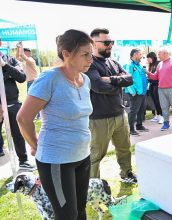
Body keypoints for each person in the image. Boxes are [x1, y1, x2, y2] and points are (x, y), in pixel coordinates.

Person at [16, 29, 94, 220]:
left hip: (82, 155)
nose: (90, 59)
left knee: (81, 211)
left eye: (91, 54)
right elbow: (23, 118)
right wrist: (35, 145)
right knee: (67, 215)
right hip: (57, 160)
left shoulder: (86, 80)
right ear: (66, 54)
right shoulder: (49, 79)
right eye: (85, 54)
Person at [85, 28, 136, 182]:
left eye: (111, 42)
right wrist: (119, 83)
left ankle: (126, 174)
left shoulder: (113, 62)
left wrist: (111, 80)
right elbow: (98, 87)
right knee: (97, 154)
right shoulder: (90, 64)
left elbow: (130, 79)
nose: (110, 45)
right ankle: (93, 184)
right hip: (99, 118)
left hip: (120, 114)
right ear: (94, 43)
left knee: (124, 149)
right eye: (107, 42)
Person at [0, 36, 32, 168]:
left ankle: (23, 161)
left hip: (12, 104)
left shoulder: (10, 60)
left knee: (17, 134)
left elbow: (21, 77)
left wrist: (4, 66)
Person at [147, 48, 172, 132]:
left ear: (165, 53)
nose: (158, 55)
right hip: (161, 89)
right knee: (164, 107)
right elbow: (156, 76)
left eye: (159, 54)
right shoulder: (160, 64)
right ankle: (166, 123)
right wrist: (148, 73)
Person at [123, 48, 149, 136]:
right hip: (135, 93)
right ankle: (130, 128)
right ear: (135, 54)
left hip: (143, 92)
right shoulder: (128, 65)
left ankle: (139, 125)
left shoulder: (139, 65)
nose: (141, 56)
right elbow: (126, 79)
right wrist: (133, 92)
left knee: (142, 109)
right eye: (140, 54)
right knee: (134, 110)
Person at [146, 52, 163, 124]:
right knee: (154, 101)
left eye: (148, 58)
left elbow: (158, 76)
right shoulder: (151, 65)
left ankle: (162, 116)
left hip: (157, 85)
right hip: (152, 85)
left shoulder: (158, 63)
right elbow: (151, 75)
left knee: (158, 101)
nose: (148, 60)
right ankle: (157, 115)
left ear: (152, 57)